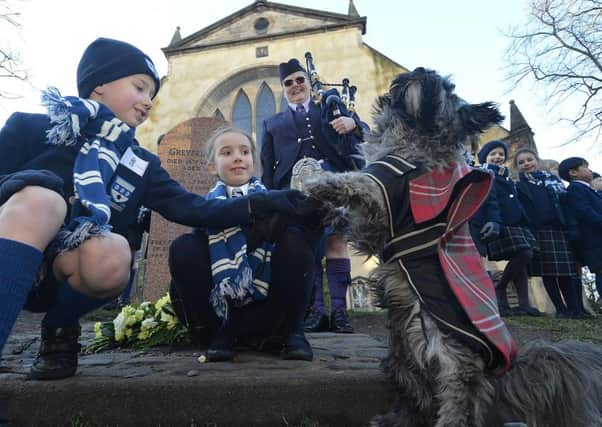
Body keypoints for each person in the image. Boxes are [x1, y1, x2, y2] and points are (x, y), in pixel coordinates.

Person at [0, 38, 313, 380]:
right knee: (43, 199)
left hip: (61, 270)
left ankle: (60, 329)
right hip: (14, 244)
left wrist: (262, 202)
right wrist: (26, 184)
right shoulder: (31, 128)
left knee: (113, 253)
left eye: (152, 94)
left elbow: (194, 209)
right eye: (140, 87)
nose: (148, 102)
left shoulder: (141, 164)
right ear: (99, 85)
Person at [168, 126, 320, 361]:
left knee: (295, 240)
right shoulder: (206, 205)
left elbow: (307, 251)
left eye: (244, 151)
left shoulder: (277, 200)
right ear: (212, 166)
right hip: (226, 312)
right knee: (184, 247)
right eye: (226, 153)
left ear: (254, 161)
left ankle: (292, 332)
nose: (237, 157)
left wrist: (315, 215)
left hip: (271, 304)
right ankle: (219, 331)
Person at [260, 58, 368, 333]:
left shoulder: (328, 108)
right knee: (307, 249)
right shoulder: (272, 123)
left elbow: (363, 135)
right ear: (282, 89)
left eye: (299, 80)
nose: (295, 86)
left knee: (336, 243)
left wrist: (352, 124)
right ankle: (316, 311)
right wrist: (270, 199)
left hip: (333, 183)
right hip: (293, 191)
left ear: (308, 82)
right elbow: (268, 165)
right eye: (288, 83)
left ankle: (340, 313)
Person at [471, 141, 541, 316]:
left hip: (517, 222)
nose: (498, 157)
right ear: (484, 157)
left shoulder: (507, 176)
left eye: (501, 154)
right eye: (492, 153)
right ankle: (500, 287)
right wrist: (494, 221)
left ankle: (524, 304)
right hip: (500, 222)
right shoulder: (486, 174)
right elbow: (490, 200)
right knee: (525, 253)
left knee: (523, 262)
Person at [514, 148, 581, 317]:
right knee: (548, 272)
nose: (526, 164)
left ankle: (574, 309)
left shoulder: (552, 181)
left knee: (566, 271)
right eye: (521, 162)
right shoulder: (519, 186)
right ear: (517, 167)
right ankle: (560, 309)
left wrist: (570, 225)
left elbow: (564, 203)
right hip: (539, 230)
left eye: (529, 159)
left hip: (559, 227)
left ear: (536, 160)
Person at [559, 157, 602, 303]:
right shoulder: (576, 188)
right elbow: (584, 211)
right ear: (573, 172)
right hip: (593, 240)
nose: (590, 170)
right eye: (586, 166)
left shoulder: (589, 189)